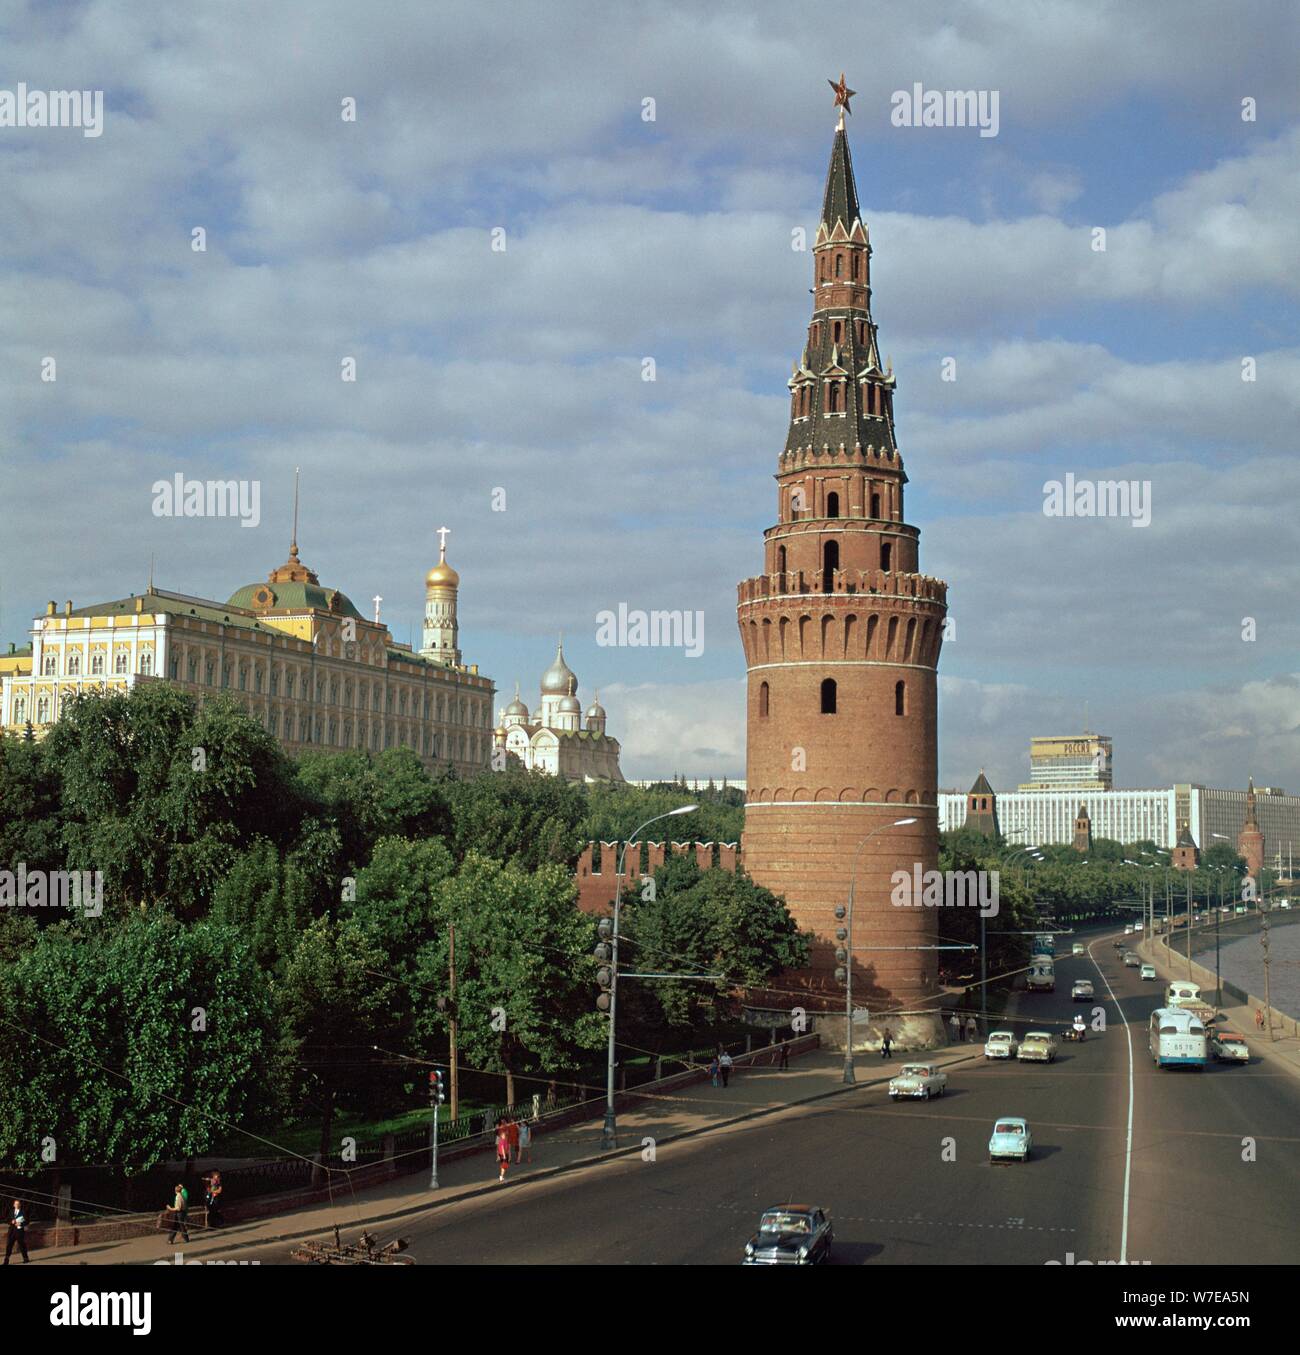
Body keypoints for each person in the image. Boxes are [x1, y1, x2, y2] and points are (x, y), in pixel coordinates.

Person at [4, 1200, 29, 1264]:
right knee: (9, 1245)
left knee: (22, 1245)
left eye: (18, 1204)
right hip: (12, 1231)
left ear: (20, 1205)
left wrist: (20, 1224)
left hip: (19, 1231)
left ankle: (25, 1258)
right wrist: (11, 1222)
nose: (17, 1205)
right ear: (14, 1205)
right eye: (16, 1204)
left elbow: (27, 1221)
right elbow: (7, 1220)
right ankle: (6, 1261)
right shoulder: (11, 1212)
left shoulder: (23, 1212)